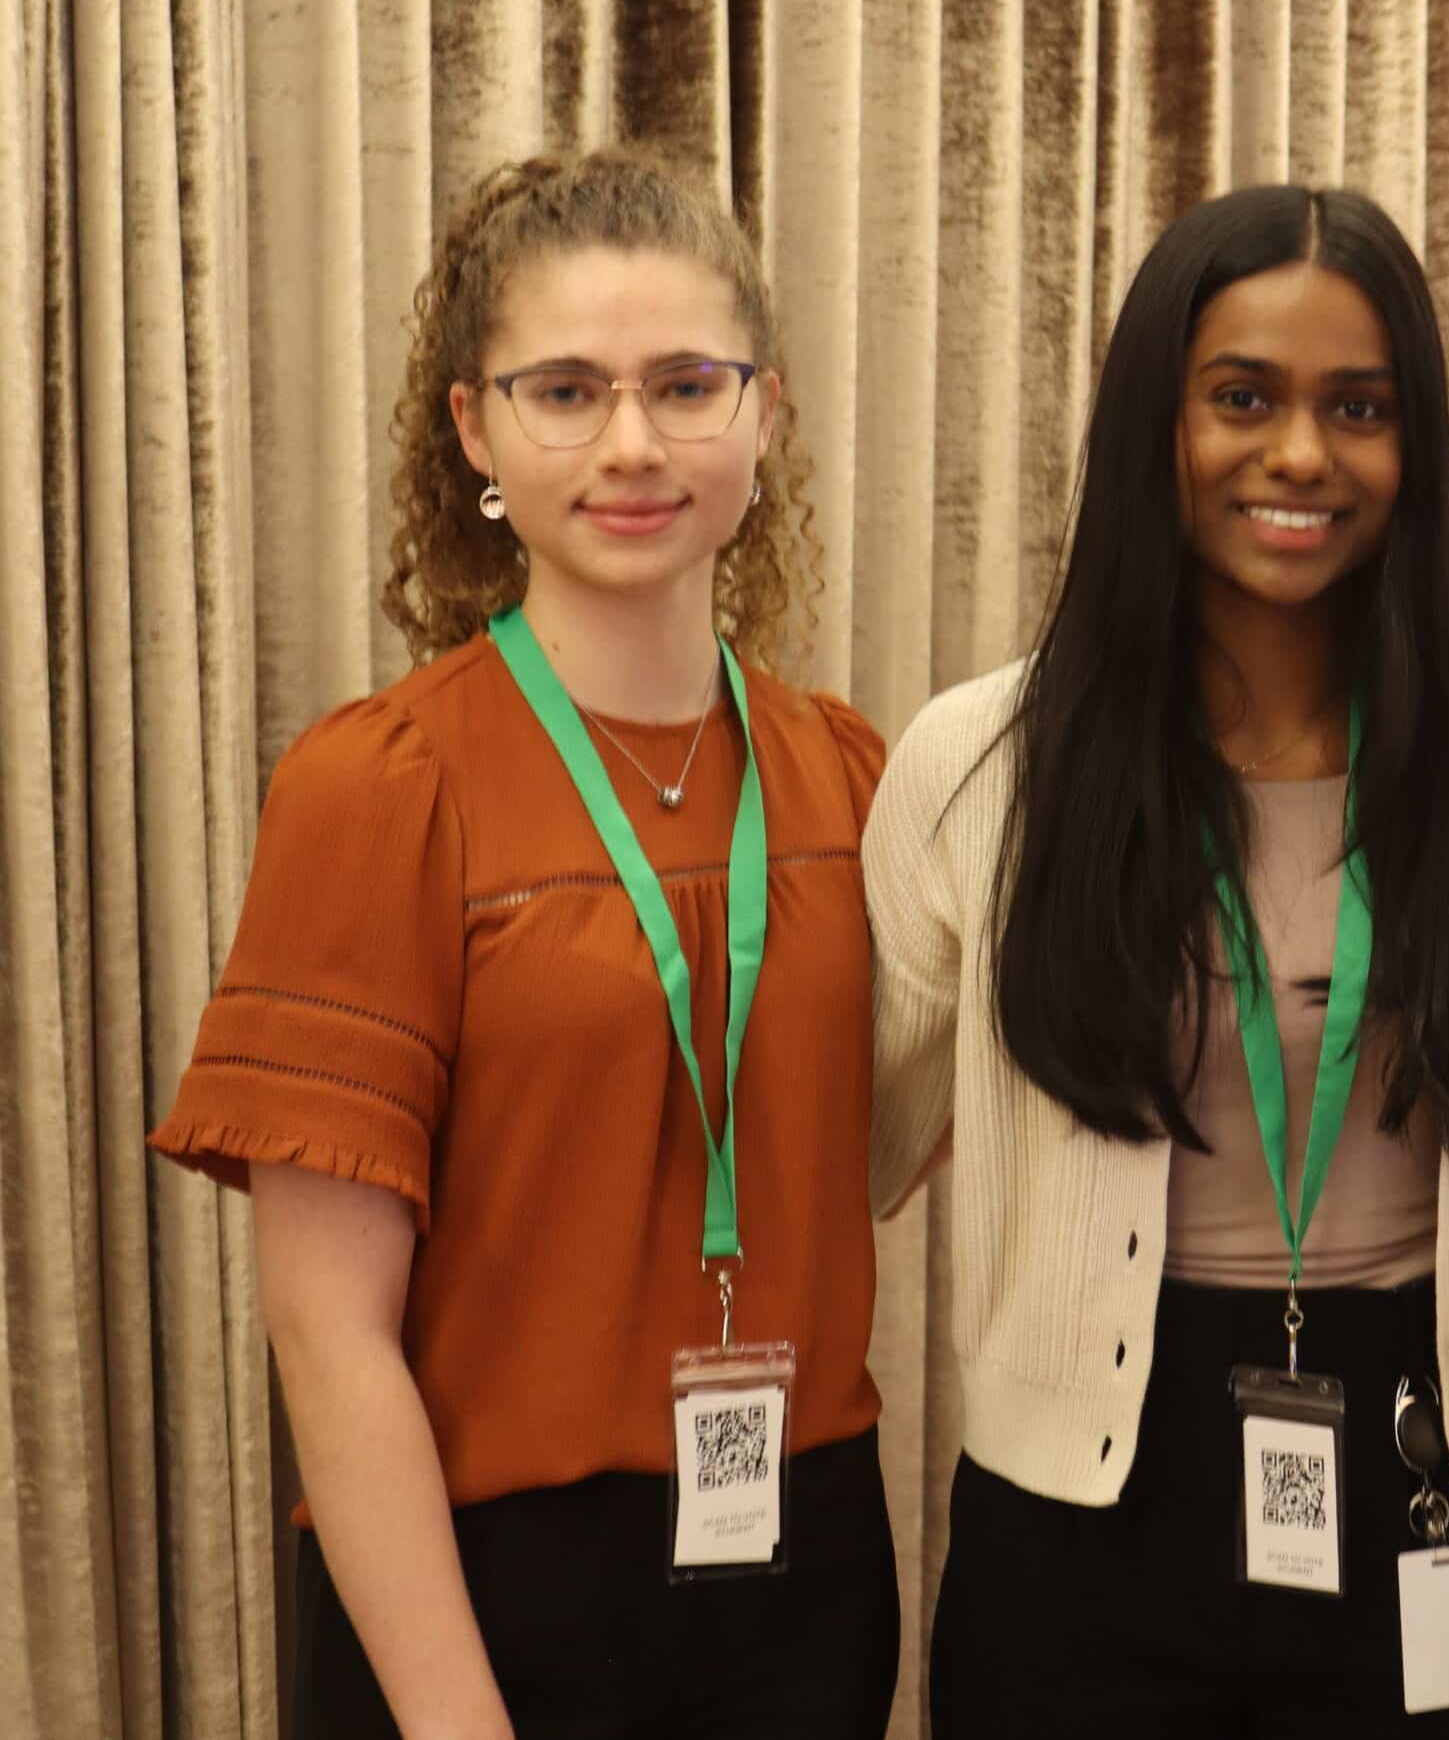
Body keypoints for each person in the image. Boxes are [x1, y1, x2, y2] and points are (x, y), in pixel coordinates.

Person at [147, 152, 899, 1739]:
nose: (632, 441)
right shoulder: (382, 790)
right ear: (478, 430)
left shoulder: (855, 776)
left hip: (808, 1564)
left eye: (687, 384)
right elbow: (327, 1331)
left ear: (762, 415)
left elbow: (871, 1151)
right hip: (485, 1603)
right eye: (566, 389)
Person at [863, 185, 1449, 1736]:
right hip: (1084, 1511)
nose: (1303, 455)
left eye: (1360, 407)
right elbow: (859, 1139)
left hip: (1429, 1464)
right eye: (1241, 397)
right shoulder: (981, 763)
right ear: (1153, 426)